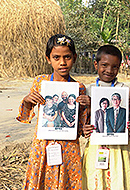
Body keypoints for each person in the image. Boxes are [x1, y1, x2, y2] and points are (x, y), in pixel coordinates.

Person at [16, 34, 88, 189]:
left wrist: (87, 106)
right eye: (56, 57)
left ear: (74, 58)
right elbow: (25, 115)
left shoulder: (79, 88)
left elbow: (82, 127)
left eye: (67, 57)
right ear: (48, 58)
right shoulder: (40, 82)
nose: (62, 62)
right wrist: (28, 101)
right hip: (43, 145)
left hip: (69, 147)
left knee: (67, 181)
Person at [80, 45, 130, 190]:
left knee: (119, 180)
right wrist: (85, 129)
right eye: (104, 65)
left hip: (120, 149)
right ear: (96, 64)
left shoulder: (125, 90)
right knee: (95, 181)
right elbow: (83, 125)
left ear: (119, 67)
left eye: (114, 66)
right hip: (96, 146)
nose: (109, 70)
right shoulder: (87, 90)